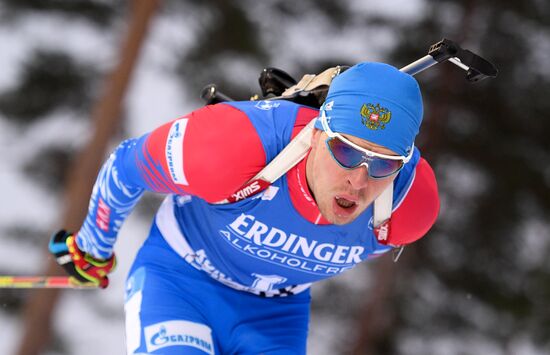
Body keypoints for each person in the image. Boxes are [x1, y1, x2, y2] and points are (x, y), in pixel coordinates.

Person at [50, 62, 439, 354]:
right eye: (345, 151)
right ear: (317, 134)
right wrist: (92, 249)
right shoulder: (233, 148)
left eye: (384, 163)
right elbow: (126, 166)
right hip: (181, 282)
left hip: (275, 318)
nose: (359, 179)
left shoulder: (408, 208)